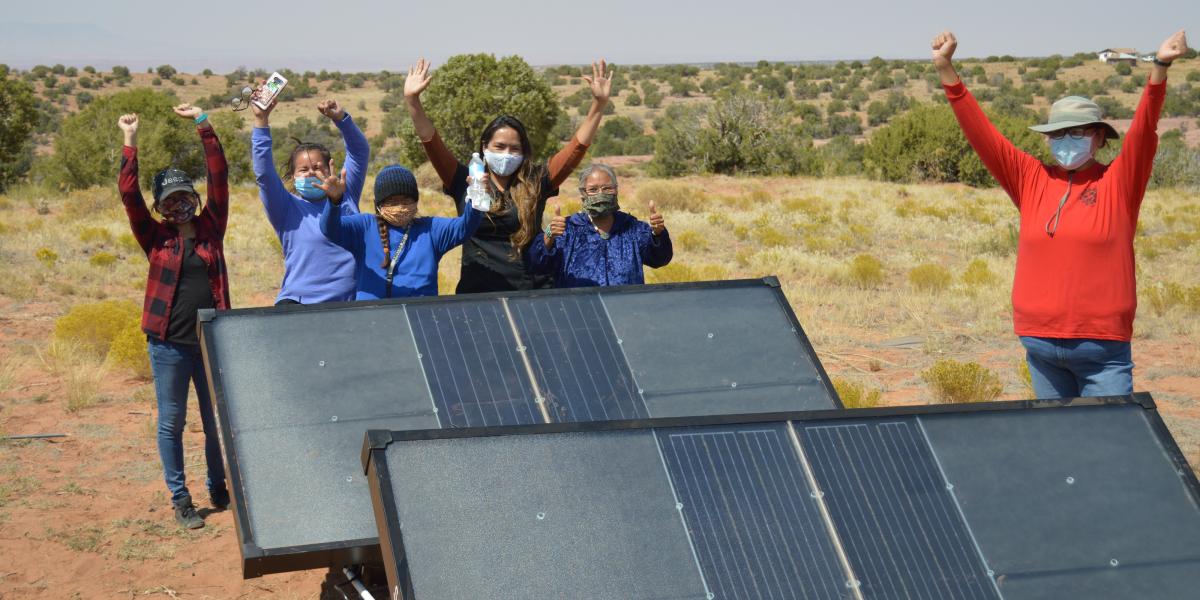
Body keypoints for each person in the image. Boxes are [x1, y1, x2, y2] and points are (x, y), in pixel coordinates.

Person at [931, 29, 1189, 399]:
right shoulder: (1030, 178)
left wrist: (1159, 68)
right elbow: (983, 135)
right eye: (1058, 134)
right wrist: (946, 70)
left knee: (1108, 446)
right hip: (1040, 347)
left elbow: (1144, 133)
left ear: (1100, 137)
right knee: (1058, 449)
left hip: (1102, 350)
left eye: (1078, 132)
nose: (1067, 141)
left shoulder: (1119, 182)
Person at [403, 58, 612, 293]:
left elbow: (576, 148)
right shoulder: (466, 180)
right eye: (499, 147)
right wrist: (413, 101)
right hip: (477, 295)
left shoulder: (536, 180)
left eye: (515, 149)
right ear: (484, 147)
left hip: (531, 292)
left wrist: (598, 104)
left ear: (524, 152)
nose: (506, 154)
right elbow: (431, 142)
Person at [117, 105, 230, 529]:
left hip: (212, 342)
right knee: (172, 422)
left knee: (214, 418)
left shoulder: (211, 226)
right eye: (170, 199)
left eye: (185, 196)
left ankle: (219, 486)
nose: (179, 204)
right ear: (161, 206)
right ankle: (181, 498)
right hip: (168, 346)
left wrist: (204, 124)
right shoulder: (154, 235)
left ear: (194, 198)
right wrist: (130, 141)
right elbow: (129, 195)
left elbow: (219, 175)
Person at [251, 91, 369, 304]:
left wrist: (341, 119)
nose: (311, 173)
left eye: (317, 167)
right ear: (293, 176)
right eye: (302, 170)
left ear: (329, 168)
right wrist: (261, 120)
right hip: (299, 306)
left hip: (350, 306)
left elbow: (359, 152)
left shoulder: (345, 193)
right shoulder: (285, 208)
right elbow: (265, 174)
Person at [320, 165, 482, 299]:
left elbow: (465, 227)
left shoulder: (432, 229)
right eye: (392, 202)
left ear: (416, 202)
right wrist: (334, 202)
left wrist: (476, 199)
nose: (400, 207)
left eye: (406, 200)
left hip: (420, 316)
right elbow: (330, 229)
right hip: (371, 318)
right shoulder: (363, 226)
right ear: (378, 204)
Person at [528, 163, 672, 287]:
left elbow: (660, 259)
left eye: (607, 188)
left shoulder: (633, 229)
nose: (600, 194)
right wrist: (548, 235)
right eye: (593, 190)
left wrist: (658, 234)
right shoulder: (567, 229)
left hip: (626, 311)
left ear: (616, 190)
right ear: (582, 193)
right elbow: (537, 265)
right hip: (579, 312)